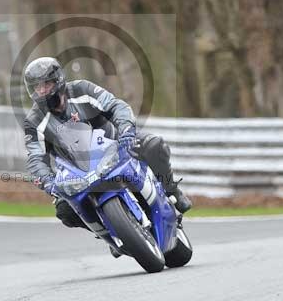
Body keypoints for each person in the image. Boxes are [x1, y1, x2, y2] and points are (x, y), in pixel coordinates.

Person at [21, 57, 192, 235]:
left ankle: (172, 190)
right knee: (65, 210)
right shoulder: (34, 121)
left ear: (57, 80)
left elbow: (116, 106)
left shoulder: (82, 89)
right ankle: (109, 230)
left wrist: (126, 130)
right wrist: (48, 183)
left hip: (116, 145)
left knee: (154, 145)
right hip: (77, 172)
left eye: (45, 84)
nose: (41, 90)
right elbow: (35, 158)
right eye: (37, 87)